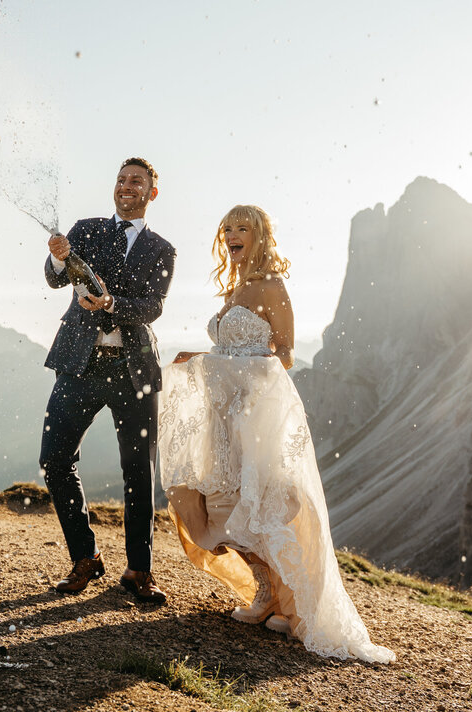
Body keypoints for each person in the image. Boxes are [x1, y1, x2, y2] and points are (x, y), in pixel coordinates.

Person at [158, 204, 394, 663]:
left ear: (260, 235)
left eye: (242, 227)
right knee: (218, 497)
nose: (232, 234)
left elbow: (283, 354)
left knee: (267, 499)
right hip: (223, 412)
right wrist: (204, 358)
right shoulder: (235, 287)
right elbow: (229, 347)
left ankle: (291, 603)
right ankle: (266, 591)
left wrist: (221, 365)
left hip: (258, 412)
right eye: (227, 227)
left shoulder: (272, 286)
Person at [40, 157, 176, 603]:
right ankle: (85, 557)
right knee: (55, 459)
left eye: (136, 181)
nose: (126, 186)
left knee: (138, 471)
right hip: (79, 363)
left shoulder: (162, 249)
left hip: (133, 369)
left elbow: (152, 307)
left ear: (151, 193)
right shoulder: (85, 228)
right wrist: (58, 258)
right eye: (121, 179)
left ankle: (139, 571)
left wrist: (113, 303)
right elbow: (53, 279)